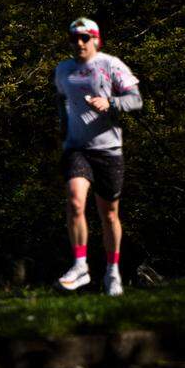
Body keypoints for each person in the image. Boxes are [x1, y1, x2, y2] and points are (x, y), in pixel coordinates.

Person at [54, 17, 142, 296]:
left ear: (95, 39)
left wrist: (111, 102)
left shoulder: (111, 64)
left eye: (84, 37)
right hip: (77, 148)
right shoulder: (63, 70)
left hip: (108, 150)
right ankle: (80, 265)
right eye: (74, 38)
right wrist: (62, 132)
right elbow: (61, 101)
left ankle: (112, 272)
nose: (79, 43)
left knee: (110, 214)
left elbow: (136, 99)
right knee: (75, 201)